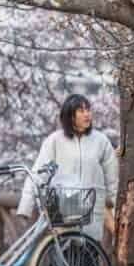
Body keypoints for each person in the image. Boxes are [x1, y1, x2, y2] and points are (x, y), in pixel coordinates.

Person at [17, 94, 118, 241]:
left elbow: (113, 182)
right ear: (70, 115)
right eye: (81, 110)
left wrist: (118, 215)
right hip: (63, 218)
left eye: (88, 109)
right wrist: (25, 207)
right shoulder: (54, 141)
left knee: (90, 260)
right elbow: (37, 174)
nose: (87, 114)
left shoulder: (101, 141)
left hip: (91, 219)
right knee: (63, 261)